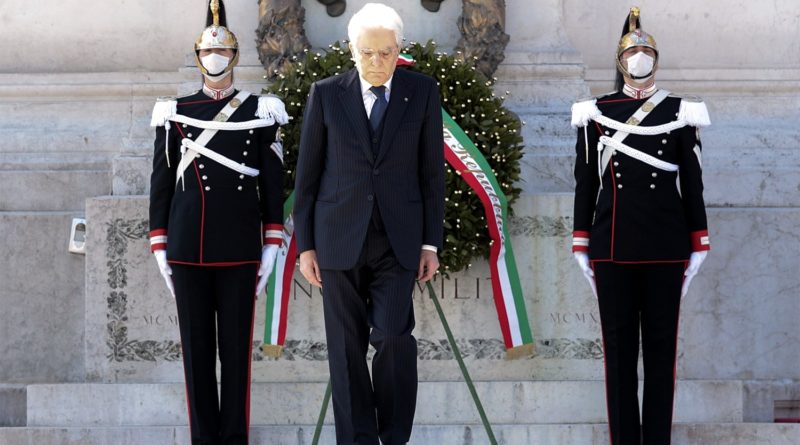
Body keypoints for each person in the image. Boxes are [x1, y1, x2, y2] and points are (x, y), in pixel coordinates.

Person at [293, 3, 445, 444]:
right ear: (352, 51)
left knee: (396, 339)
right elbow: (307, 177)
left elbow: (431, 174)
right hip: (337, 240)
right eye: (368, 53)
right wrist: (306, 247)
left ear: (399, 50)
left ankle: (394, 436)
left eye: (387, 52)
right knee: (344, 351)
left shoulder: (422, 91)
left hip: (397, 242)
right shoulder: (326, 94)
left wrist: (430, 244)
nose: (377, 63)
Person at [148, 1, 288, 443]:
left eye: (223, 53)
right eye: (208, 53)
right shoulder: (173, 111)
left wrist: (271, 242)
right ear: (197, 57)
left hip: (239, 248)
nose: (215, 60)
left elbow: (271, 182)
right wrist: (159, 243)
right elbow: (161, 181)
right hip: (188, 248)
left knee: (236, 357)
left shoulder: (259, 111)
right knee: (196, 356)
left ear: (235, 57)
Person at [570, 7, 711, 445]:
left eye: (647, 51)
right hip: (612, 246)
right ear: (619, 61)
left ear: (657, 58)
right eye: (633, 52)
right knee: (618, 356)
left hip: (667, 246)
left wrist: (699, 240)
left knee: (661, 353)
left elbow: (692, 179)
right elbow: (585, 181)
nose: (640, 58)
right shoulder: (594, 113)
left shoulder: (681, 111)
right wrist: (580, 240)